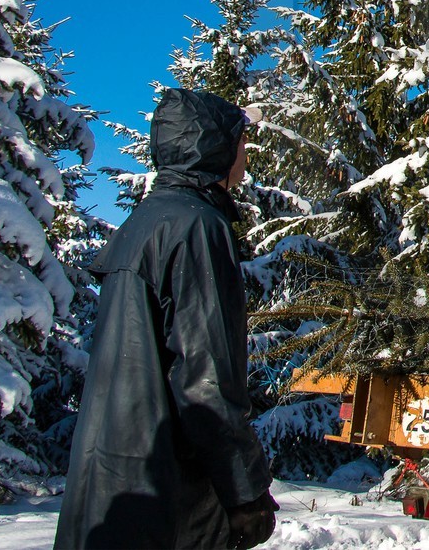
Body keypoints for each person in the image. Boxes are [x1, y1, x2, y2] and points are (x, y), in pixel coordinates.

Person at [55, 88, 277, 550]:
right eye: (240, 141)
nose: (246, 153)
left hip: (112, 486)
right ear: (213, 146)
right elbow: (205, 379)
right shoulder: (198, 228)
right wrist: (245, 492)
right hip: (172, 496)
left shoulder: (143, 223)